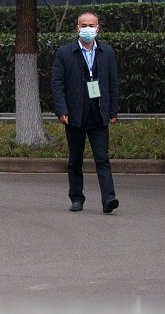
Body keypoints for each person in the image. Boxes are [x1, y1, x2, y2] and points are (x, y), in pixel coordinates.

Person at [51, 11, 120, 214]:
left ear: (98, 28)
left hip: (99, 114)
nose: (88, 29)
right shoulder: (65, 53)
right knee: (75, 160)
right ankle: (77, 198)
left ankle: (109, 198)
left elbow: (113, 83)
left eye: (91, 25)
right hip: (74, 114)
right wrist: (61, 110)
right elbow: (57, 83)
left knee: (102, 158)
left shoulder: (106, 52)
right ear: (77, 28)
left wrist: (113, 109)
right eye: (84, 25)